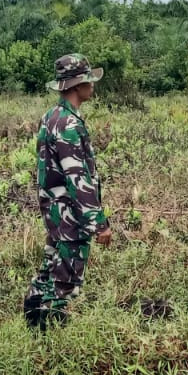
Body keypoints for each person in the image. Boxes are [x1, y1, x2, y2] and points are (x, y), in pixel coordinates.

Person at [23, 53, 113, 329]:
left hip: (54, 210)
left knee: (51, 266)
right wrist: (99, 224)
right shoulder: (70, 125)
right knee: (64, 277)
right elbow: (78, 178)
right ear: (76, 86)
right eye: (88, 80)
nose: (92, 85)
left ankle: (33, 316)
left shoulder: (51, 116)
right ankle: (50, 336)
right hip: (70, 214)